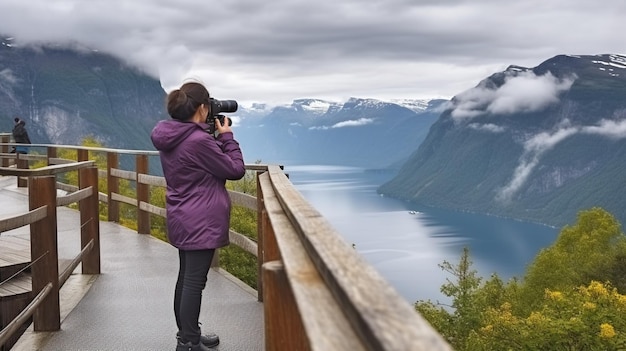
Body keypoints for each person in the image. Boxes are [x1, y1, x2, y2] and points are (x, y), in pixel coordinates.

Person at [150, 81, 245, 351]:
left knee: (186, 278)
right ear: (202, 108)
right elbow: (235, 169)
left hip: (183, 213)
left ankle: (188, 334)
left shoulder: (173, 135)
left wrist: (209, 134)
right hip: (200, 218)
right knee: (194, 281)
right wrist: (226, 136)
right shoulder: (198, 141)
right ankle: (189, 342)